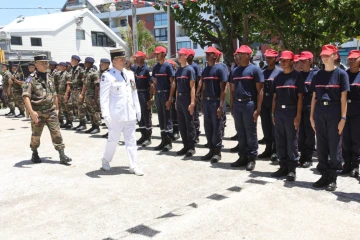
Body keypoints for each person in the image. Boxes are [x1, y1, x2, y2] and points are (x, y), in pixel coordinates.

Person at [310, 44, 349, 191]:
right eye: (323, 55)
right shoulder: (317, 75)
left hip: (334, 111)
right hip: (320, 110)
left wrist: (343, 119)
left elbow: (343, 98)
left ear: (335, 56)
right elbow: (314, 97)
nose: (324, 57)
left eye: (327, 55)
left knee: (334, 146)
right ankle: (324, 174)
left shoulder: (341, 74)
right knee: (321, 145)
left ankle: (333, 177)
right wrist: (311, 117)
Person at [100, 48, 143, 176]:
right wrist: (105, 114)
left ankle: (133, 165)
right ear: (114, 61)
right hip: (116, 115)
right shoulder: (107, 76)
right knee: (113, 139)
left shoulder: (130, 74)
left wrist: (138, 109)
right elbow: (104, 97)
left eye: (124, 59)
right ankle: (106, 160)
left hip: (129, 113)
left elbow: (134, 92)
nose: (124, 61)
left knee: (131, 139)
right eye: (121, 59)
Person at [22, 55, 72, 164]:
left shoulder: (50, 76)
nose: (46, 65)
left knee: (57, 133)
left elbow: (54, 94)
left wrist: (57, 109)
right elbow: (26, 96)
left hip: (51, 111)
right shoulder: (30, 79)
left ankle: (62, 155)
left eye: (46, 63)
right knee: (36, 135)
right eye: (42, 63)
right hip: (38, 112)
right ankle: (34, 153)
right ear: (36, 64)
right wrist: (31, 112)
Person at [270, 51, 304, 181]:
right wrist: (273, 114)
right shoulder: (278, 77)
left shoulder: (297, 77)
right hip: (279, 112)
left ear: (292, 61)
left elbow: (300, 97)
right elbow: (274, 97)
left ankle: (292, 168)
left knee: (291, 140)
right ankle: (283, 166)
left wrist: (298, 115)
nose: (282, 62)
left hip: (291, 112)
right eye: (281, 60)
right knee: (280, 140)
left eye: (285, 60)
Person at [229, 45, 264, 171]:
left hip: (249, 104)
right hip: (237, 104)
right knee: (241, 131)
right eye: (238, 54)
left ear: (248, 55)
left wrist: (258, 109)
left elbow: (260, 91)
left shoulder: (255, 70)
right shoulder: (234, 71)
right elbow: (232, 90)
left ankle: (251, 158)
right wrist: (232, 106)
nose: (239, 56)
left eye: (242, 54)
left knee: (250, 132)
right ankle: (242, 156)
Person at [200, 46, 227, 162]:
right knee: (208, 127)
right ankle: (211, 149)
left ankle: (217, 152)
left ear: (215, 56)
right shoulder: (206, 70)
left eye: (209, 54)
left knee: (217, 127)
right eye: (206, 53)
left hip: (216, 101)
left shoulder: (220, 69)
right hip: (207, 101)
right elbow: (204, 87)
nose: (207, 55)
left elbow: (224, 89)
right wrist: (202, 102)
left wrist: (221, 106)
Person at [258, 49, 282, 161]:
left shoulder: (279, 72)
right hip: (264, 102)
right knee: (265, 126)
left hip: (275, 102)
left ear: (275, 59)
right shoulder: (262, 72)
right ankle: (268, 148)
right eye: (266, 57)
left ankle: (276, 150)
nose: (267, 59)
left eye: (270, 58)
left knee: (274, 127)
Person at [152, 46, 175, 152]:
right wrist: (155, 97)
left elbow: (173, 83)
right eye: (156, 53)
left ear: (163, 54)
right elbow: (155, 83)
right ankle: (163, 140)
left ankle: (168, 142)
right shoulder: (156, 67)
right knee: (161, 119)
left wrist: (170, 99)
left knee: (167, 119)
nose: (156, 55)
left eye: (158, 53)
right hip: (159, 95)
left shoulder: (168, 66)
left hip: (166, 94)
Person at [174, 48, 197, 157]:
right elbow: (177, 87)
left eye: (181, 55)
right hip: (180, 99)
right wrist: (176, 100)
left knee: (190, 124)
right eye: (178, 55)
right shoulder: (178, 70)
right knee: (182, 124)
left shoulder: (190, 70)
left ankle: (191, 147)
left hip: (187, 98)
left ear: (186, 56)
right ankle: (185, 146)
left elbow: (192, 87)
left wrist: (192, 102)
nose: (178, 57)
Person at [341, 50, 360, 178]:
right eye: (350, 59)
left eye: (354, 59)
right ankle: (346, 163)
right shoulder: (344, 75)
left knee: (356, 139)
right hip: (344, 109)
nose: (351, 61)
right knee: (345, 138)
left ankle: (355, 165)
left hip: (358, 110)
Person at [298, 51, 318, 168]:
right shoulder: (298, 74)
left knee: (309, 133)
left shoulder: (316, 74)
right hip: (300, 107)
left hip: (311, 108)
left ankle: (308, 157)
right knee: (300, 133)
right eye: (300, 60)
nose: (301, 63)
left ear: (310, 61)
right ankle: (302, 155)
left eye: (304, 61)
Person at [133, 51, 154, 147]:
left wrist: (150, 98)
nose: (135, 59)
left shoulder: (147, 69)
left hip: (144, 93)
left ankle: (148, 137)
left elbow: (152, 85)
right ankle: (143, 135)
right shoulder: (137, 68)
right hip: (137, 93)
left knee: (146, 115)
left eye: (137, 57)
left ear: (142, 58)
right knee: (139, 115)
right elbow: (127, 66)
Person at [64, 55, 86, 130]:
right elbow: (69, 83)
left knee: (80, 107)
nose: (71, 61)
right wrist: (67, 94)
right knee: (74, 107)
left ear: (77, 61)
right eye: (71, 60)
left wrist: (82, 94)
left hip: (79, 91)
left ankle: (83, 123)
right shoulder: (71, 70)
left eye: (72, 60)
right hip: (73, 91)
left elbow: (84, 83)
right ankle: (78, 123)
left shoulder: (81, 70)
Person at [82, 57, 101, 134]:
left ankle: (97, 127)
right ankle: (93, 126)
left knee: (95, 111)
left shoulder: (94, 72)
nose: (84, 63)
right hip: (88, 95)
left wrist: (95, 98)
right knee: (90, 111)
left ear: (90, 63)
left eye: (86, 62)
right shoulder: (86, 72)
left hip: (93, 95)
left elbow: (97, 86)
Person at [187, 48, 201, 141]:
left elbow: (199, 81)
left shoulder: (195, 67)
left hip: (194, 93)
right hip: (186, 94)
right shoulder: (184, 67)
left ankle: (196, 134)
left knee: (195, 115)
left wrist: (196, 93)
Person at [54, 62, 70, 128]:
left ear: (64, 67)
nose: (59, 67)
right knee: (61, 108)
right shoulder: (58, 74)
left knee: (67, 108)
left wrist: (66, 94)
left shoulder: (67, 74)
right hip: (59, 94)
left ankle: (69, 122)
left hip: (64, 94)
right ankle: (62, 121)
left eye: (60, 66)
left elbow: (68, 85)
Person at [99, 58, 111, 139]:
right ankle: (110, 131)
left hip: (110, 98)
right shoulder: (102, 73)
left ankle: (112, 132)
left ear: (107, 64)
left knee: (110, 115)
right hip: (105, 97)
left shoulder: (110, 73)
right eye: (100, 64)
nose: (101, 65)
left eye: (103, 64)